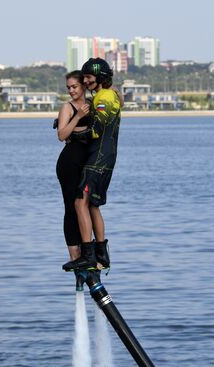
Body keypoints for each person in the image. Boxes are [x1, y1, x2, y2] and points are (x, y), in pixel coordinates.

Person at [62, 58, 122, 272]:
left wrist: (72, 132)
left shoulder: (103, 98)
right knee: (92, 204)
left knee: (80, 203)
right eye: (84, 78)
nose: (85, 81)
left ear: (101, 78)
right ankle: (101, 255)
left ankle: (88, 255)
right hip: (104, 159)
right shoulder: (108, 95)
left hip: (98, 159)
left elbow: (95, 130)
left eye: (88, 77)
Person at [55, 70, 94, 263]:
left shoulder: (93, 104)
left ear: (84, 85)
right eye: (68, 87)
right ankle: (74, 254)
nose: (71, 90)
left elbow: (119, 103)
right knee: (71, 207)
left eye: (74, 86)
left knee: (87, 206)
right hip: (69, 163)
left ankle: (88, 250)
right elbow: (62, 135)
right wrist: (77, 117)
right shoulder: (67, 107)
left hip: (88, 163)